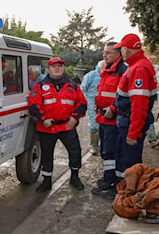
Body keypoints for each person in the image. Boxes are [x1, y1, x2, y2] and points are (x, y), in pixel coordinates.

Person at [28, 57, 87, 193]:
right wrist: (43, 119)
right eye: (54, 66)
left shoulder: (72, 85)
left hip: (67, 126)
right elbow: (33, 104)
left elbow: (82, 103)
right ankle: (47, 181)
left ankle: (74, 177)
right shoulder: (40, 86)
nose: (57, 68)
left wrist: (75, 117)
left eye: (60, 66)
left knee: (75, 151)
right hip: (47, 127)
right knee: (47, 155)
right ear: (48, 69)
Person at [110, 34, 156, 194]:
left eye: (121, 48)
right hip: (127, 121)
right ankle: (121, 189)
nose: (121, 51)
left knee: (130, 161)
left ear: (127, 50)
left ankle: (131, 194)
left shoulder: (139, 69)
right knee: (123, 157)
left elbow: (139, 105)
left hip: (131, 122)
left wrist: (133, 132)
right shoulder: (136, 65)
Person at [91, 42, 127, 199]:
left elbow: (124, 96)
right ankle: (108, 178)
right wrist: (97, 105)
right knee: (106, 150)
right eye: (104, 52)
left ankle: (115, 184)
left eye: (108, 53)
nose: (104, 56)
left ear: (118, 54)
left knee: (112, 151)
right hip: (103, 118)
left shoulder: (122, 71)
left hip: (114, 119)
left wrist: (112, 109)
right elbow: (104, 91)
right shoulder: (107, 69)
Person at [81, 60, 105, 155]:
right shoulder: (91, 76)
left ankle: (102, 146)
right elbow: (82, 89)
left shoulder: (109, 75)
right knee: (94, 124)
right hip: (92, 104)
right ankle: (94, 145)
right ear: (99, 68)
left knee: (104, 125)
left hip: (104, 104)